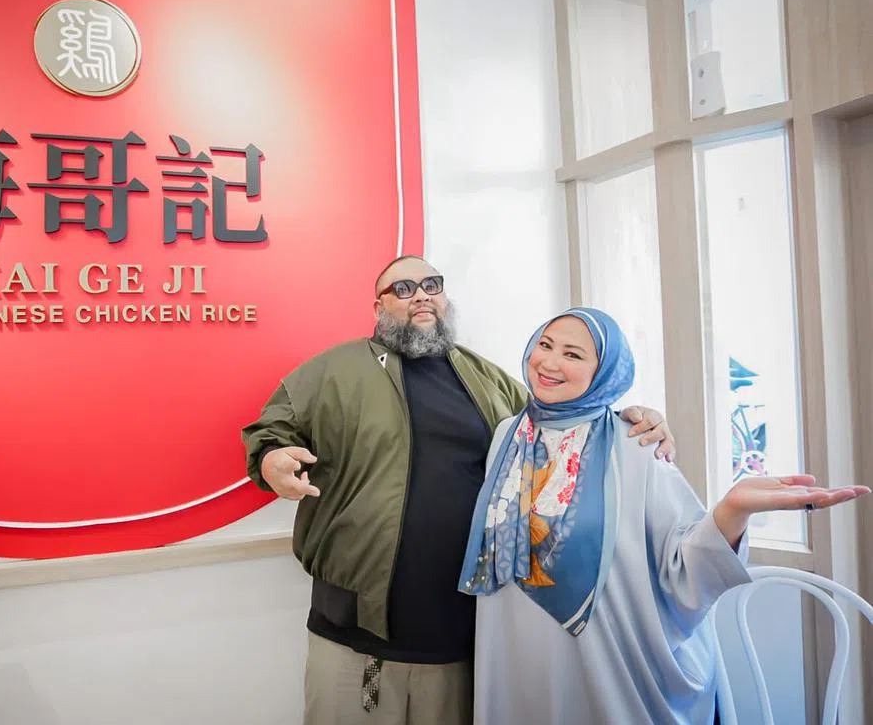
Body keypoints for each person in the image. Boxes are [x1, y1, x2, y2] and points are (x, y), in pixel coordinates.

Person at [241, 256, 675, 725]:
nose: (420, 295)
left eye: (431, 284)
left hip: (461, 641)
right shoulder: (333, 372)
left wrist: (632, 418)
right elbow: (271, 430)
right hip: (355, 637)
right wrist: (271, 460)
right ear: (378, 307)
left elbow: (560, 421)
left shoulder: (486, 379)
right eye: (402, 288)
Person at [458, 307, 870, 724]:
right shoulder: (507, 436)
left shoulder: (635, 444)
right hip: (515, 659)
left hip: (607, 669)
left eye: (573, 354)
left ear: (605, 372)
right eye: (545, 345)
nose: (549, 362)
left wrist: (733, 510)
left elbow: (683, 565)